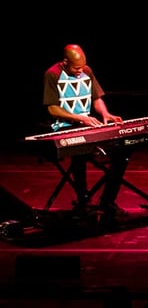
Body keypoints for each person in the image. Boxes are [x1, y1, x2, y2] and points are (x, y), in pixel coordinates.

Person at [42, 44, 124, 210]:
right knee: (79, 154)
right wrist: (79, 118)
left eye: (82, 66)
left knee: (122, 152)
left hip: (86, 123)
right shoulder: (52, 74)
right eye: (76, 67)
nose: (80, 70)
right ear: (65, 62)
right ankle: (83, 199)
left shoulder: (86, 70)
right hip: (65, 125)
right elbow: (52, 108)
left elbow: (96, 98)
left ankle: (108, 200)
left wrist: (105, 114)